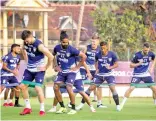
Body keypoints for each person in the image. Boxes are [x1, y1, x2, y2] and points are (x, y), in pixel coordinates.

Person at [76, 41, 121, 111]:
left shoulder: (112, 54)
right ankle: (81, 105)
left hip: (109, 75)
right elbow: (95, 62)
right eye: (101, 48)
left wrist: (110, 67)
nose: (102, 50)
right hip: (100, 75)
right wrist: (97, 69)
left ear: (106, 47)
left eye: (104, 48)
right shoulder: (97, 54)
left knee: (112, 88)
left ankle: (118, 106)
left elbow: (117, 64)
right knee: (90, 88)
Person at [19, 30, 53, 116]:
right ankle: (28, 108)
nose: (26, 42)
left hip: (39, 70)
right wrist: (25, 60)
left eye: (27, 40)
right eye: (24, 40)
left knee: (38, 88)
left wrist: (46, 67)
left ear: (31, 36)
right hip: (29, 69)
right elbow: (22, 50)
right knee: (23, 86)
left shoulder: (39, 46)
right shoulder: (25, 43)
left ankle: (42, 109)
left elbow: (51, 56)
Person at [53, 31, 86, 114]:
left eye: (67, 42)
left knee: (68, 88)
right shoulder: (57, 48)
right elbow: (53, 55)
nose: (66, 44)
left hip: (71, 72)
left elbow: (84, 56)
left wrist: (77, 67)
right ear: (60, 42)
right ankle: (62, 107)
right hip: (62, 72)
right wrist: (55, 65)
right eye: (64, 42)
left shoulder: (71, 49)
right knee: (55, 87)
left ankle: (73, 108)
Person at [120, 42, 156, 110]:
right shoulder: (137, 55)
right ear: (143, 48)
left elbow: (154, 59)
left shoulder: (151, 54)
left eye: (147, 50)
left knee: (154, 89)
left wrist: (151, 68)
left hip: (146, 74)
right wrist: (138, 64)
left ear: (149, 49)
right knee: (131, 88)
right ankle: (121, 105)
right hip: (137, 75)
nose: (146, 51)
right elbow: (131, 65)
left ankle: (155, 103)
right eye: (145, 50)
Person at [77, 33, 107, 110]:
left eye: (94, 41)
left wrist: (99, 70)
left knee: (98, 86)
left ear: (98, 42)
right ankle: (72, 102)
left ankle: (99, 103)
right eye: (92, 41)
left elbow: (101, 61)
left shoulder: (100, 50)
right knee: (80, 85)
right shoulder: (86, 48)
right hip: (85, 69)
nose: (93, 43)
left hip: (95, 70)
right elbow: (82, 60)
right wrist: (88, 71)